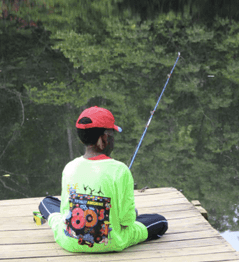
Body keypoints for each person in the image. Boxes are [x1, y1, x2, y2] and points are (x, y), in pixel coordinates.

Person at [37, 106, 168, 252]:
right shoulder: (120, 170)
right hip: (112, 242)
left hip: (69, 241)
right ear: (104, 138)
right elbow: (127, 221)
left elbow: (65, 213)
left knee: (46, 202)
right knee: (160, 221)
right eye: (112, 135)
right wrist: (131, 214)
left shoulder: (69, 167)